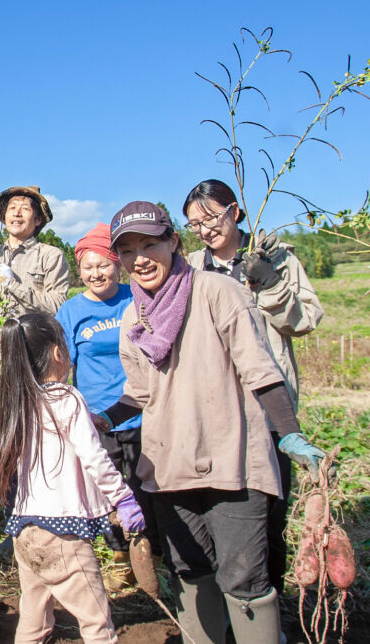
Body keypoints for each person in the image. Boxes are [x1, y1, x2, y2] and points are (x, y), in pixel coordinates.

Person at [95, 201, 331, 644]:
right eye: (127, 250)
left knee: (244, 579)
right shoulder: (134, 315)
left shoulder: (217, 292)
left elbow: (261, 371)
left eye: (150, 244)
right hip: (169, 465)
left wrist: (291, 434)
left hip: (233, 460)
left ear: (174, 243)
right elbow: (141, 392)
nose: (139, 258)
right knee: (191, 570)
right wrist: (103, 419)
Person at [183, 179, 324, 598]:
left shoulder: (276, 258)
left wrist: (269, 285)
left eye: (211, 217)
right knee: (221, 515)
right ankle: (227, 606)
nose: (205, 229)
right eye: (195, 224)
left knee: (269, 520)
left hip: (268, 409)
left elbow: (305, 321)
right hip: (213, 409)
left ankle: (268, 606)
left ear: (236, 212)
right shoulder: (190, 267)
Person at [0, 312, 144, 644]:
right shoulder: (68, 397)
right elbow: (95, 458)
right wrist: (124, 498)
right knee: (97, 622)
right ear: (59, 352)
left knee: (33, 621)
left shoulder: (18, 402)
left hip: (25, 532)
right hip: (61, 536)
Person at [56, 223, 160, 591]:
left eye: (103, 265)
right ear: (79, 269)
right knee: (106, 490)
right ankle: (119, 558)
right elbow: (61, 362)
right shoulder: (70, 311)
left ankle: (152, 555)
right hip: (96, 418)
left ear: (117, 265)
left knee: (147, 485)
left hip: (142, 410)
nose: (95, 273)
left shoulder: (136, 298)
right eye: (87, 267)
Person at [0, 186, 69, 450]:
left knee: (41, 431)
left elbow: (56, 306)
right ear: (2, 215)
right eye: (12, 208)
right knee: (0, 430)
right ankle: (1, 486)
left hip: (38, 359)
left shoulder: (50, 256)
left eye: (25, 208)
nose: (17, 213)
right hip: (0, 356)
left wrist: (13, 285)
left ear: (38, 219)